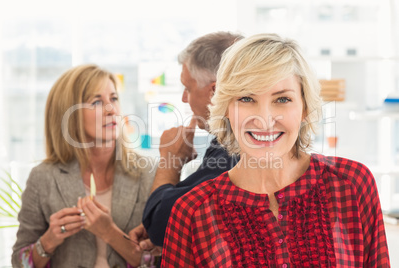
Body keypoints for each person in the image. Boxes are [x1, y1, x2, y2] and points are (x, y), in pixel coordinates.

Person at [161, 34, 390, 267]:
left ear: (304, 108)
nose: (264, 120)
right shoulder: (192, 212)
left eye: (282, 99)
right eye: (247, 98)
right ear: (226, 109)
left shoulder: (351, 184)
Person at [12, 64, 156, 268]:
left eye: (113, 98)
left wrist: (110, 233)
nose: (111, 109)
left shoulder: (150, 172)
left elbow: (162, 261)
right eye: (97, 102)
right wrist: (49, 241)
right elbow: (19, 262)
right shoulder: (43, 178)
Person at [141, 32, 243, 250]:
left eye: (188, 88)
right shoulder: (231, 140)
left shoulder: (234, 149)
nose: (184, 98)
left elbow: (159, 225)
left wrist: (171, 159)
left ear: (215, 91)